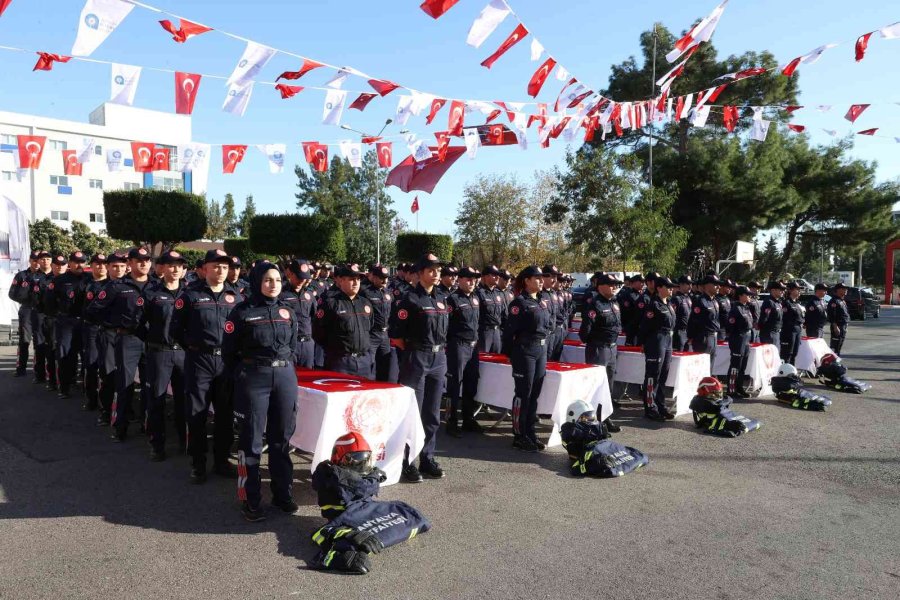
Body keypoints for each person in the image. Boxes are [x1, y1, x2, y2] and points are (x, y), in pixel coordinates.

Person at [223, 261, 299, 522]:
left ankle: (282, 494)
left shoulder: (288, 311)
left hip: (285, 376)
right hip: (254, 377)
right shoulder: (241, 312)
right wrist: (244, 375)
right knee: (252, 441)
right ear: (257, 281)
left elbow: (292, 346)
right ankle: (250, 499)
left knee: (282, 439)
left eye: (277, 280)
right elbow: (228, 353)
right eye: (267, 280)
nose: (273, 285)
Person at [310, 432, 431, 574]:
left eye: (365, 461)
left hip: (364, 510)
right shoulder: (330, 479)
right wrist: (346, 545)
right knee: (406, 520)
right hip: (343, 516)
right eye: (356, 462)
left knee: (414, 519)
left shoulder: (366, 482)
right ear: (340, 460)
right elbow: (320, 534)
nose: (362, 467)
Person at [172, 249, 241, 483]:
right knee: (197, 414)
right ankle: (198, 463)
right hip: (199, 361)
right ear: (205, 269)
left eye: (224, 267)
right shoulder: (190, 296)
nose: (221, 271)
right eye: (215, 266)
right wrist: (194, 347)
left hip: (226, 363)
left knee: (225, 415)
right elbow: (176, 330)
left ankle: (221, 461)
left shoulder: (236, 297)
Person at [391, 254, 449, 481]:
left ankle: (427, 458)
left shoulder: (442, 298)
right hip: (417, 357)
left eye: (438, 271)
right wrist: (414, 352)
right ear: (420, 273)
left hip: (438, 358)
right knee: (411, 413)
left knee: (432, 414)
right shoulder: (409, 300)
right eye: (431, 270)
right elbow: (396, 336)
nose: (436, 274)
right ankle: (407, 461)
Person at [89, 247, 153, 441]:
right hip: (127, 339)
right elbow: (94, 310)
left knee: (150, 385)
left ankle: (147, 423)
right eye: (138, 260)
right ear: (130, 264)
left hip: (151, 341)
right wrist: (113, 323)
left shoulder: (157, 286)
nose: (143, 263)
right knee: (124, 384)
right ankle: (120, 427)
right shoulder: (117, 286)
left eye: (146, 260)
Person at [142, 250, 188, 461]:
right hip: (159, 354)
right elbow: (137, 323)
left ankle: (184, 441)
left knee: (183, 400)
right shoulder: (151, 294)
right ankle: (157, 444)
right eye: (171, 265)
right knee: (157, 400)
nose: (175, 269)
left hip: (183, 355)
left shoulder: (190, 294)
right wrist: (154, 339)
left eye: (179, 265)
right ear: (162, 268)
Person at [502, 265, 551, 452]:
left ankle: (530, 432)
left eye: (542, 278)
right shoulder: (519, 303)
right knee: (524, 393)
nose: (541, 281)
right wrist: (511, 355)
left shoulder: (542, 300)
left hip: (541, 349)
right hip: (525, 350)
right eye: (537, 278)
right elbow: (509, 333)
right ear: (527, 280)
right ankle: (519, 434)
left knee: (535, 394)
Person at [86, 252, 128, 425]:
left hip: (129, 336)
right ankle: (106, 410)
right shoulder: (102, 287)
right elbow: (91, 311)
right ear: (109, 267)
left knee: (126, 375)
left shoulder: (132, 285)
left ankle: (125, 410)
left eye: (122, 266)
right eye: (115, 266)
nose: (118, 269)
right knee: (108, 373)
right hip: (109, 333)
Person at [577, 272, 622, 432]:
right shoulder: (594, 304)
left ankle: (606, 418)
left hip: (612, 348)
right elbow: (585, 331)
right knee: (596, 386)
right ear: (601, 286)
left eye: (616, 285)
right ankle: (593, 420)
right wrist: (595, 343)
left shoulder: (615, 302)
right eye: (611, 285)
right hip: (599, 348)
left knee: (609, 385)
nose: (614, 287)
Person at [313, 263, 374, 377]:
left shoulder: (365, 303)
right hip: (340, 363)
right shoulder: (331, 304)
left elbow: (370, 328)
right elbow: (318, 333)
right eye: (352, 279)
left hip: (364, 362)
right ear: (341, 280)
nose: (356, 283)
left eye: (358, 279)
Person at [560, 401, 649, 477]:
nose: (591, 420)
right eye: (586, 418)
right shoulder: (570, 431)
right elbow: (576, 470)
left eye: (592, 417)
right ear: (574, 418)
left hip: (600, 447)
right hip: (592, 451)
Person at [444, 266, 482, 438]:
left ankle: (468, 419)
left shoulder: (476, 298)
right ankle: (451, 421)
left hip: (473, 346)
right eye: (468, 278)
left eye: (474, 279)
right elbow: (446, 325)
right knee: (454, 385)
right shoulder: (452, 299)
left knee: (471, 383)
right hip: (458, 345)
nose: (472, 282)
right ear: (459, 280)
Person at [45, 251, 88, 398]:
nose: (79, 265)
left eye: (82, 262)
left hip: (85, 322)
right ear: (69, 263)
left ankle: (86, 385)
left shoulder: (89, 279)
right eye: (76, 261)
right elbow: (49, 301)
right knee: (65, 354)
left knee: (86, 354)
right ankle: (64, 387)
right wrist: (57, 315)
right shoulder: (60, 280)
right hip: (66, 322)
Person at [639, 276, 677, 421]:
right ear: (659, 288)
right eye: (668, 287)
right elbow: (644, 326)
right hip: (656, 340)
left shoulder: (668, 304)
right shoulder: (653, 304)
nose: (671, 289)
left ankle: (661, 405)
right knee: (652, 375)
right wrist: (643, 343)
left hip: (668, 340)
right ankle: (650, 407)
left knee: (663, 376)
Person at [77, 253, 108, 411]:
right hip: (91, 329)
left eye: (104, 264)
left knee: (108, 366)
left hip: (109, 330)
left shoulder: (114, 284)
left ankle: (107, 402)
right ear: (92, 265)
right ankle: (91, 399)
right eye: (97, 263)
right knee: (91, 363)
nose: (101, 267)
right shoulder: (85, 284)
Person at [688, 377, 761, 437]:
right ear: (704, 392)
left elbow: (726, 400)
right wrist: (729, 425)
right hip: (714, 422)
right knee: (741, 426)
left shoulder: (710, 402)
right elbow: (716, 409)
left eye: (719, 393)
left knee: (748, 424)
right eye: (715, 393)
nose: (718, 396)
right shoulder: (702, 403)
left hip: (717, 417)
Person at [8, 250, 41, 377]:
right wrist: (26, 299)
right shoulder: (21, 276)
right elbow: (12, 293)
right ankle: (21, 368)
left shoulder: (45, 276)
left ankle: (39, 370)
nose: (36, 263)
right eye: (34, 260)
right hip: (26, 310)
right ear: (30, 260)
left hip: (40, 311)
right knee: (24, 340)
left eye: (39, 260)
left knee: (40, 341)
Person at [280, 259, 317, 369]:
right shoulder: (281, 294)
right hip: (290, 344)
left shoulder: (309, 296)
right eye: (299, 277)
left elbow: (313, 318)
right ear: (290, 274)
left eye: (304, 278)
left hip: (307, 345)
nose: (302, 280)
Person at [360, 264, 394, 382]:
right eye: (381, 277)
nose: (384, 280)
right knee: (369, 367)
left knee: (385, 367)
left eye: (386, 278)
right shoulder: (364, 291)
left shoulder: (388, 293)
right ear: (373, 277)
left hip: (385, 335)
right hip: (371, 334)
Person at [27, 251, 53, 384]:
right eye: (42, 259)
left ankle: (53, 375)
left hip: (52, 315)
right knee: (39, 344)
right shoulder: (32, 277)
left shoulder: (56, 276)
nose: (45, 261)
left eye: (48, 259)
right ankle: (40, 374)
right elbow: (25, 294)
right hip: (38, 313)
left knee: (52, 344)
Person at [725, 286, 754, 398]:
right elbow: (730, 325)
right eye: (747, 294)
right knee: (735, 365)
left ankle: (739, 387)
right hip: (738, 338)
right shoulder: (735, 309)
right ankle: (731, 389)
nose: (749, 296)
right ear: (740, 295)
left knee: (743, 366)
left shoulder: (746, 307)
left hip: (746, 338)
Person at [688, 274, 721, 366]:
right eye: (715, 284)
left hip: (713, 337)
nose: (718, 286)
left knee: (710, 366)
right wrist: (691, 336)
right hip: (703, 338)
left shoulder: (714, 301)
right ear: (706, 285)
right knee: (702, 366)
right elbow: (693, 321)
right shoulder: (700, 301)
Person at [475, 265, 505, 353]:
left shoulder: (498, 293)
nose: (497, 277)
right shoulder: (478, 293)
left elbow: (503, 314)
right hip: (484, 332)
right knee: (483, 361)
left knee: (497, 361)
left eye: (498, 275)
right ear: (485, 276)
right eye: (494, 275)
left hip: (497, 332)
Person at [780, 282, 805, 365]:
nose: (799, 291)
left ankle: (792, 371)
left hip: (798, 329)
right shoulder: (786, 303)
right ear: (790, 290)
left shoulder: (797, 303)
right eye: (797, 289)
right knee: (787, 353)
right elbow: (784, 318)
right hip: (789, 330)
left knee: (795, 352)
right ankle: (785, 372)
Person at [616, 275, 644, 346]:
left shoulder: (641, 294)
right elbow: (625, 312)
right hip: (631, 327)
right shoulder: (628, 294)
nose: (642, 284)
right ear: (633, 283)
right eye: (640, 282)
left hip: (639, 327)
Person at [758, 281, 785, 350]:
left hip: (776, 333)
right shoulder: (769, 302)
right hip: (769, 334)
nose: (783, 291)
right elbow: (764, 318)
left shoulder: (778, 302)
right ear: (773, 290)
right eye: (781, 289)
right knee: (770, 357)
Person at [826, 283, 850, 355]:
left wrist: (846, 325)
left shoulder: (842, 300)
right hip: (838, 326)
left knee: (839, 345)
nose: (845, 290)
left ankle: (836, 361)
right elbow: (831, 315)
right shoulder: (834, 301)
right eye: (843, 289)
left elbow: (845, 314)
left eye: (846, 289)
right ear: (837, 290)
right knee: (835, 345)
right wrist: (835, 326)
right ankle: (832, 363)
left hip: (843, 326)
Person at [672, 275, 693, 351]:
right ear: (681, 284)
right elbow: (673, 317)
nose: (690, 286)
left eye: (691, 284)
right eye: (688, 284)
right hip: (679, 332)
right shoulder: (676, 299)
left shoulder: (688, 298)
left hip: (687, 332)